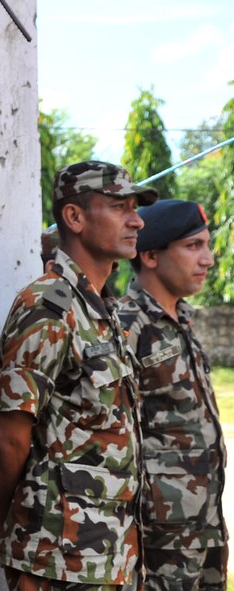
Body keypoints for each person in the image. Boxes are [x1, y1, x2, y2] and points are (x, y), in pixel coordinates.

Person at [0, 160, 157, 590]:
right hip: (58, 559)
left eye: (135, 207)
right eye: (119, 207)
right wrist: (18, 520)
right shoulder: (48, 306)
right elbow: (8, 436)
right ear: (75, 217)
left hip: (109, 553)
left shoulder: (99, 306)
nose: (136, 220)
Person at [118, 199, 227, 591]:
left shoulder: (182, 321)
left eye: (206, 245)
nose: (208, 260)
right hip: (160, 538)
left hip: (205, 521)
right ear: (149, 255)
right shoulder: (125, 328)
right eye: (193, 246)